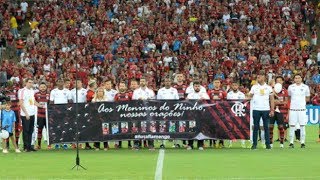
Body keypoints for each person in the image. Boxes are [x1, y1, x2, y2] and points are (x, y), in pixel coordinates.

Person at [248, 71, 274, 150]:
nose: (258, 78)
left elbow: (272, 99)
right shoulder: (254, 87)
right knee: (255, 127)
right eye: (257, 77)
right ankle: (254, 144)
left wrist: (272, 110)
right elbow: (249, 96)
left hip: (266, 109)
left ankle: (268, 144)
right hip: (256, 109)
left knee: (266, 127)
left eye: (259, 76)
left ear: (264, 77)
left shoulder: (269, 88)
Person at [18, 78, 43, 152]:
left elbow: (33, 101)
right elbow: (21, 103)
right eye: (29, 82)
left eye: (32, 82)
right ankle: (26, 147)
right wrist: (26, 113)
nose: (31, 84)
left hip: (32, 113)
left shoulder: (32, 91)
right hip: (25, 114)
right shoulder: (22, 91)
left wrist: (39, 105)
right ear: (25, 83)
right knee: (26, 130)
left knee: (31, 130)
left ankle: (30, 146)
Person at [132, 77, 156, 150]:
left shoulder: (151, 91)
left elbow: (154, 102)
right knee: (137, 128)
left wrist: (149, 100)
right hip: (138, 113)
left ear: (146, 82)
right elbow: (132, 102)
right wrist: (138, 100)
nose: (142, 82)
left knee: (149, 128)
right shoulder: (136, 91)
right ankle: (136, 144)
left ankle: (151, 145)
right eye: (141, 81)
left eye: (143, 81)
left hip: (148, 113)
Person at [288, 74, 310, 148]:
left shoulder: (305, 87)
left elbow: (307, 98)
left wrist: (301, 103)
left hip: (302, 109)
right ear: (294, 79)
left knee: (302, 126)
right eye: (296, 78)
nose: (297, 79)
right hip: (293, 109)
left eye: (299, 78)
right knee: (292, 125)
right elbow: (289, 97)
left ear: (301, 79)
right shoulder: (291, 87)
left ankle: (302, 142)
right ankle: (291, 142)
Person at [156, 77, 179, 148]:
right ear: (164, 82)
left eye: (169, 81)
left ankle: (176, 143)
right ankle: (162, 143)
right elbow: (158, 102)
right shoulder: (160, 90)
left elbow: (177, 100)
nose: (167, 82)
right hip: (163, 111)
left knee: (173, 126)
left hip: (172, 111)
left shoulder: (174, 90)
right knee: (163, 126)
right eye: (166, 81)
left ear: (171, 82)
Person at [186, 81, 210, 150]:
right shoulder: (190, 95)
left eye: (198, 86)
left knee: (201, 130)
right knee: (191, 129)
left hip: (201, 115)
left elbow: (209, 103)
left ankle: (200, 145)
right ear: (193, 87)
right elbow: (186, 103)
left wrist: (203, 100)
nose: (197, 87)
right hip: (192, 115)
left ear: (200, 87)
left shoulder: (204, 94)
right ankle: (190, 145)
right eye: (195, 86)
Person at [49, 79, 72, 149]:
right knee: (56, 127)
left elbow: (70, 101)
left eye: (62, 81)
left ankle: (65, 142)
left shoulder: (67, 91)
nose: (60, 83)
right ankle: (57, 143)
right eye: (59, 81)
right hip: (56, 112)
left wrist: (67, 109)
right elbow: (51, 102)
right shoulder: (53, 91)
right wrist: (55, 110)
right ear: (56, 82)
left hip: (65, 111)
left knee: (65, 127)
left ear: (63, 83)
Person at [207, 79, 227, 148]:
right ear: (213, 83)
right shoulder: (210, 91)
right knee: (212, 127)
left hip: (221, 112)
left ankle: (221, 142)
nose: (217, 84)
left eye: (218, 82)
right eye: (215, 82)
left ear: (220, 83)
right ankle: (213, 142)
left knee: (221, 127)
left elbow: (226, 102)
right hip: (212, 112)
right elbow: (207, 102)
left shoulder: (223, 92)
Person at [269, 76, 288, 148]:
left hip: (281, 111)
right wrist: (277, 102)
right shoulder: (271, 90)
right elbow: (269, 101)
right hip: (272, 110)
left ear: (283, 81)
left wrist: (275, 102)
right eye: (277, 80)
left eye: (280, 80)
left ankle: (281, 143)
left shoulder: (285, 90)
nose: (279, 81)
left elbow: (285, 102)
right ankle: (270, 143)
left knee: (281, 127)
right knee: (270, 126)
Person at [226, 82, 247, 148]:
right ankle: (230, 142)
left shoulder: (242, 94)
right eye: (233, 85)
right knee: (231, 127)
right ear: (231, 86)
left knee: (241, 127)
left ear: (238, 86)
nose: (234, 86)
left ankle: (243, 142)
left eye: (236, 85)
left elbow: (244, 103)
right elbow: (227, 104)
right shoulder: (229, 94)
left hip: (239, 113)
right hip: (231, 112)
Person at [114, 81, 132, 149]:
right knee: (119, 129)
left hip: (127, 115)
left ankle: (129, 143)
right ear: (119, 87)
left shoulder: (129, 95)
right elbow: (114, 105)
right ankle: (119, 144)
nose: (122, 87)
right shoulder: (117, 95)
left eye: (123, 86)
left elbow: (132, 104)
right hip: (119, 115)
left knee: (129, 129)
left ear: (125, 87)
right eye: (120, 86)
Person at [34, 82, 50, 150]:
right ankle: (39, 145)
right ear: (39, 87)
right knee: (39, 130)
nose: (42, 88)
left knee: (48, 131)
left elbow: (51, 102)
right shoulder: (36, 94)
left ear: (46, 87)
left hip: (47, 115)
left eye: (44, 87)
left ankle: (49, 145)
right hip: (40, 115)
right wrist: (39, 105)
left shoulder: (49, 94)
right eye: (41, 87)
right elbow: (32, 101)